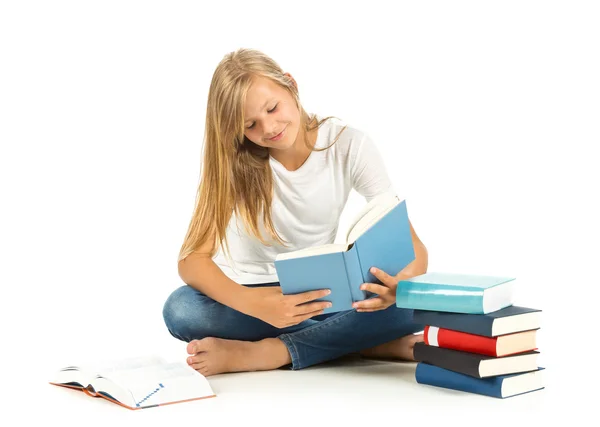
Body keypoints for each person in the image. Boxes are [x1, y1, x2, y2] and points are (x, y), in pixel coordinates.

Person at [162, 48, 429, 377]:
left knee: (414, 304)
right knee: (181, 309)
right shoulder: (233, 163)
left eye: (273, 108)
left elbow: (416, 251)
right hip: (257, 298)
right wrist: (258, 304)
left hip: (324, 297)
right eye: (250, 125)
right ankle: (359, 342)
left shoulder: (349, 145)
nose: (269, 127)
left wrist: (398, 286)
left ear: (291, 85)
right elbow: (191, 260)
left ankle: (274, 351)